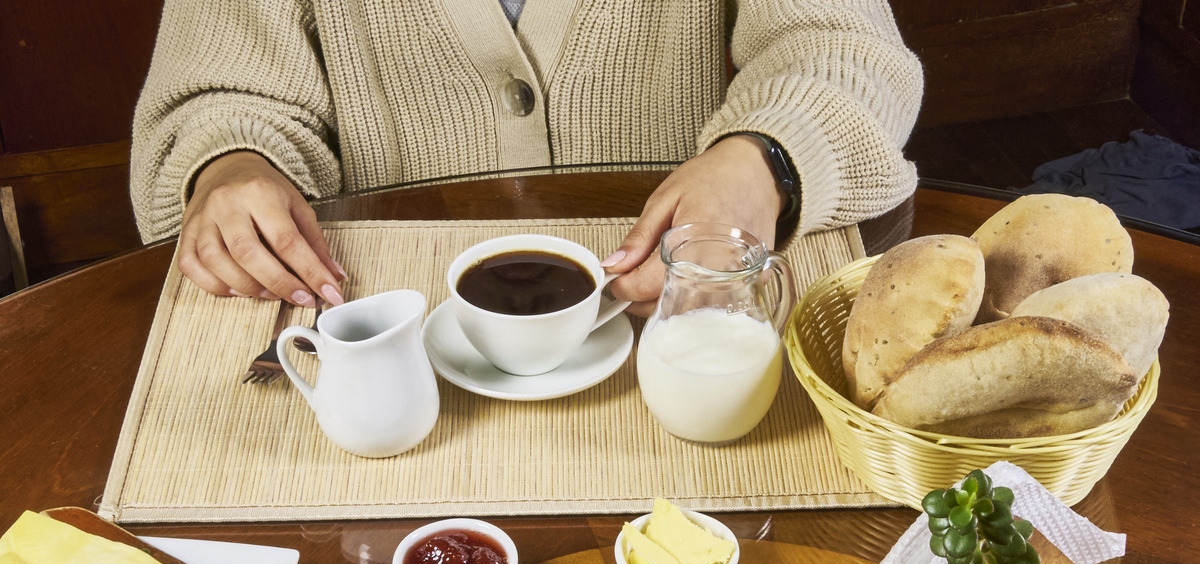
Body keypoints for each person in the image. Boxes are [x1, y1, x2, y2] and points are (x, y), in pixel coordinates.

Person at [131, 0, 922, 315]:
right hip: (386, 323)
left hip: (671, 312)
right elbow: (216, 101)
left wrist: (765, 160)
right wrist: (230, 164)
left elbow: (845, 50)